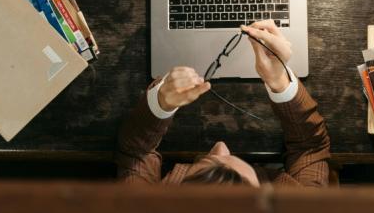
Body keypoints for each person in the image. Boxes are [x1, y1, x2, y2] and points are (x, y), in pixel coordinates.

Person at [115, 20, 331, 186]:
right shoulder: (303, 209)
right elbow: (309, 147)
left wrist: (161, 104)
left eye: (207, 163)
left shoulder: (141, 209)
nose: (221, 146)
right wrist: (279, 81)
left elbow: (137, 152)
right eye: (243, 167)